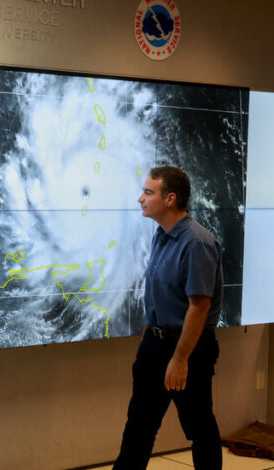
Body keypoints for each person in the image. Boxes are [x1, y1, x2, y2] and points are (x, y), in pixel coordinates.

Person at [113, 166, 223, 470]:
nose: (140, 199)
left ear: (170, 199)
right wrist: (151, 333)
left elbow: (198, 307)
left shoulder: (197, 242)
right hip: (155, 346)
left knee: (199, 428)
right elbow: (161, 291)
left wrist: (179, 359)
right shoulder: (161, 236)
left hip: (189, 350)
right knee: (138, 427)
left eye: (148, 192)